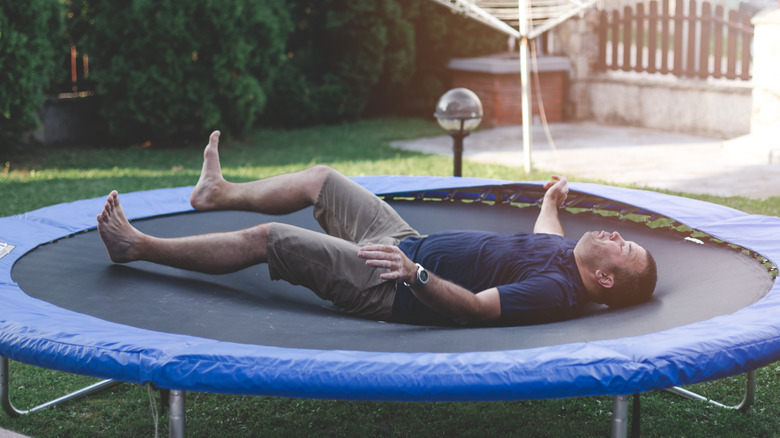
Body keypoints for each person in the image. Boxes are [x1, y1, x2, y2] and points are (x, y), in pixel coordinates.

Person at [97, 130, 657, 327]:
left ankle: (137, 246)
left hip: (391, 285)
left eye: (622, 246)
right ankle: (216, 194)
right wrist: (552, 200)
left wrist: (414, 275)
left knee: (269, 240)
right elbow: (545, 233)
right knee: (321, 178)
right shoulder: (565, 260)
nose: (613, 234)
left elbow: (480, 310)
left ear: (606, 281)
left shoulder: (555, 291)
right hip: (403, 242)